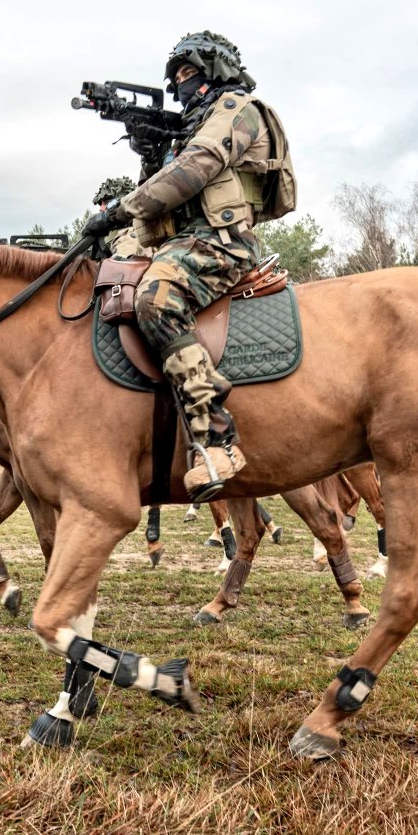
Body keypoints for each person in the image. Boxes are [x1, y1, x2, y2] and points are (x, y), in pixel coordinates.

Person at [82, 30, 295, 501]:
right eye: (175, 76)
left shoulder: (238, 112)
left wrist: (117, 210)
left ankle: (216, 438)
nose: (181, 85)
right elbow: (157, 188)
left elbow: (193, 171)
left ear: (216, 70)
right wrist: (149, 151)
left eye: (188, 73)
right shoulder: (191, 128)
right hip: (180, 241)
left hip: (222, 243)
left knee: (157, 297)